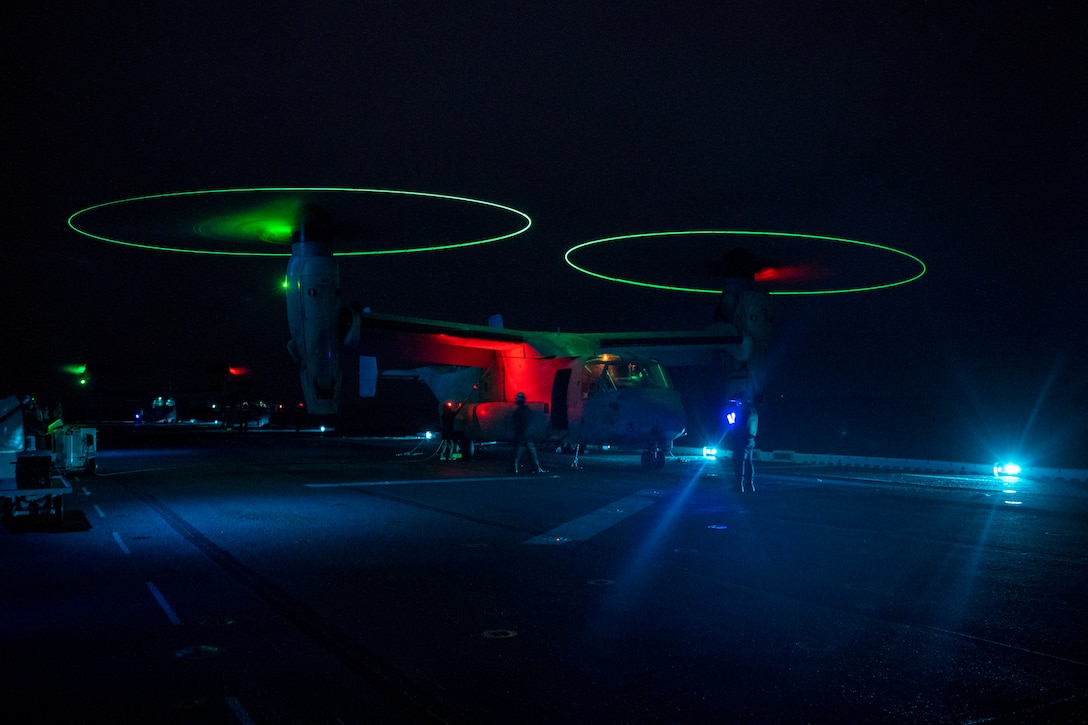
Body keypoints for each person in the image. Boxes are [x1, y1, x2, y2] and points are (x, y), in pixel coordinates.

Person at [725, 397, 758, 492]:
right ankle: (750, 485)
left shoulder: (744, 412)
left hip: (742, 440)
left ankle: (739, 486)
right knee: (748, 463)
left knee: (739, 462)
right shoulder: (754, 412)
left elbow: (739, 427)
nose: (738, 404)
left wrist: (731, 423)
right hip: (751, 439)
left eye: (739, 403)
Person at [511, 392, 546, 473]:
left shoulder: (519, 412)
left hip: (522, 437)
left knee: (517, 455)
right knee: (532, 454)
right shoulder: (526, 411)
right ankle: (536, 468)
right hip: (527, 436)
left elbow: (517, 425)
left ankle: (514, 469)